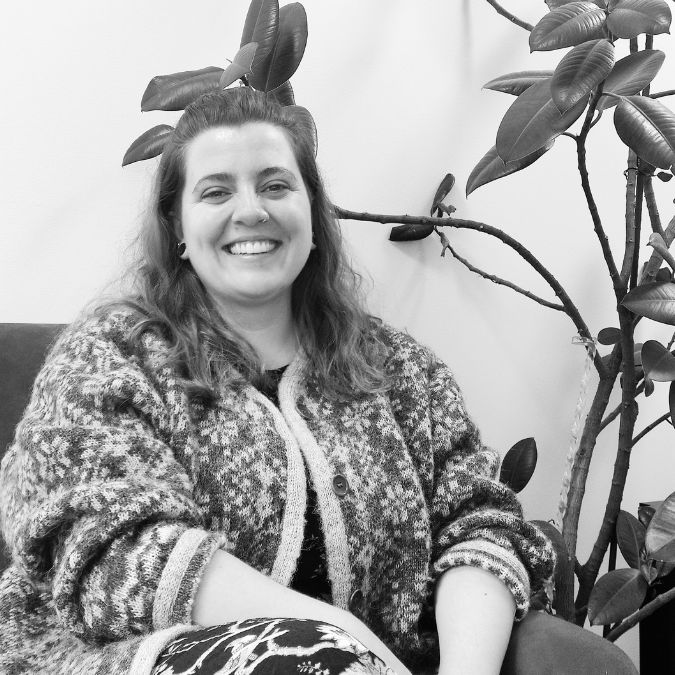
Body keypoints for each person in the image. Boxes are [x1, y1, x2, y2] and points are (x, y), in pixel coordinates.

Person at [0, 87, 555, 675]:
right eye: (216, 192)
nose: (251, 211)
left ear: (312, 215)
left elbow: (480, 526)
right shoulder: (109, 357)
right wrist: (341, 636)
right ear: (178, 227)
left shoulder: (399, 371)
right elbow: (108, 551)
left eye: (275, 186)